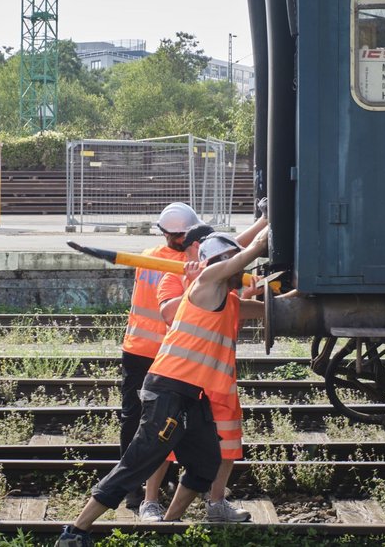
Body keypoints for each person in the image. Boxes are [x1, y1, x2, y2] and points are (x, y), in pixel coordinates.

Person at [56, 229, 269, 547]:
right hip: (168, 389)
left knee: (206, 464)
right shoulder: (207, 281)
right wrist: (264, 235)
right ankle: (76, 532)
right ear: (218, 261)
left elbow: (270, 308)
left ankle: (168, 528)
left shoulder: (228, 299)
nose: (238, 271)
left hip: (193, 394)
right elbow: (244, 256)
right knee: (137, 463)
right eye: (231, 261)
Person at [141, 208, 270, 522]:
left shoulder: (228, 295)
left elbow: (268, 309)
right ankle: (150, 502)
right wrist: (195, 279)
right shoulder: (179, 278)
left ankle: (215, 504)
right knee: (165, 444)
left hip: (219, 385)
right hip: (182, 380)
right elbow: (171, 312)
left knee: (228, 444)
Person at [117, 202, 203, 511]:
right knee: (172, 418)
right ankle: (166, 480)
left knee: (134, 420)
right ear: (186, 235)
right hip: (168, 355)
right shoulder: (187, 265)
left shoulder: (147, 256)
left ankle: (131, 489)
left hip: (136, 349)